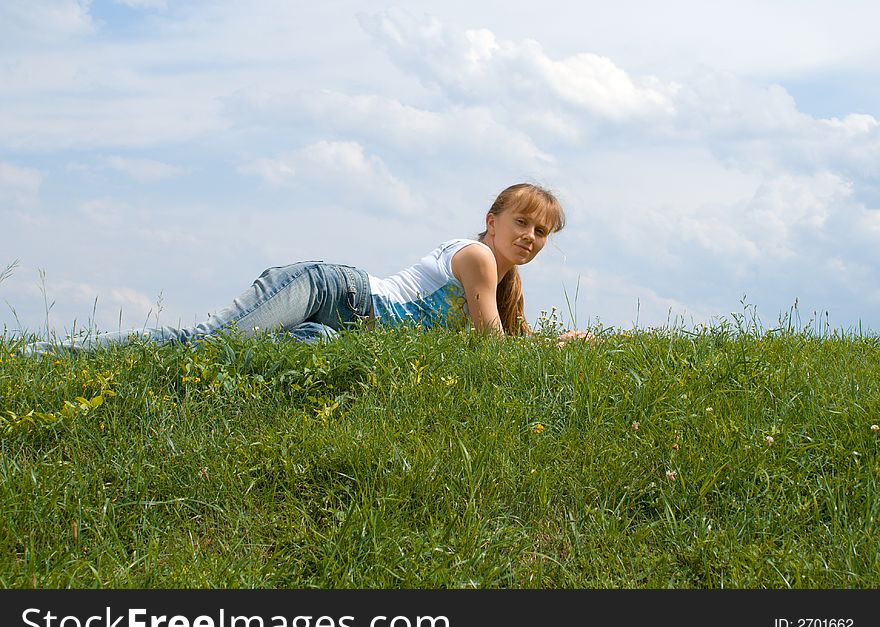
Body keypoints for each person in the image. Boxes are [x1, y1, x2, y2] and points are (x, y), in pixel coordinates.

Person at [22, 182, 589, 355]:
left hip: (341, 324)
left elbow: (515, 344)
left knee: (285, 353)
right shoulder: (478, 257)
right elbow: (494, 347)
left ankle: (307, 341)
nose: (531, 238)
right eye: (524, 223)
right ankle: (44, 355)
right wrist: (548, 351)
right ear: (491, 220)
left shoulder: (501, 276)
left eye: (542, 233)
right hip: (326, 289)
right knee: (206, 343)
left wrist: (558, 345)